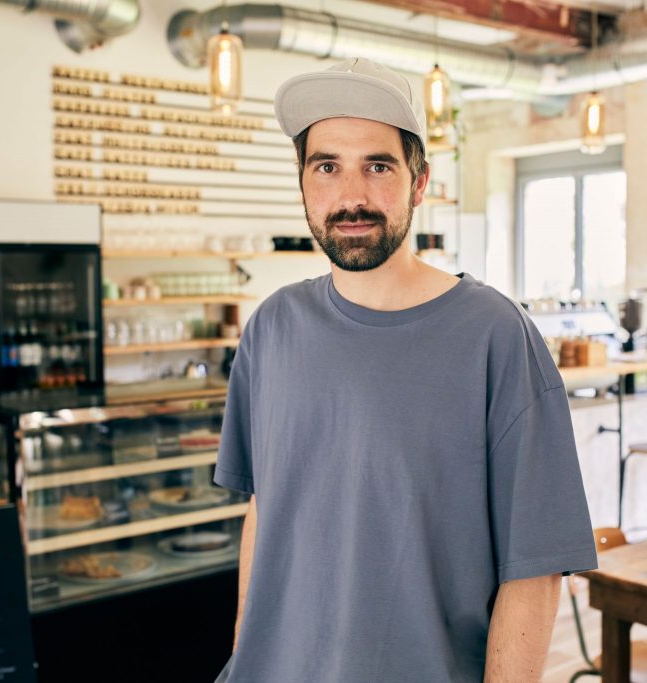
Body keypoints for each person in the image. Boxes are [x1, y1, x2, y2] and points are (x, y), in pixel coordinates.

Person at [213, 57, 597, 683]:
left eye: (379, 166)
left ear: (419, 182)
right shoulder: (271, 328)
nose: (352, 196)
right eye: (327, 166)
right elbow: (264, 508)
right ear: (304, 183)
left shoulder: (497, 337)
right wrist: (243, 657)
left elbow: (535, 568)